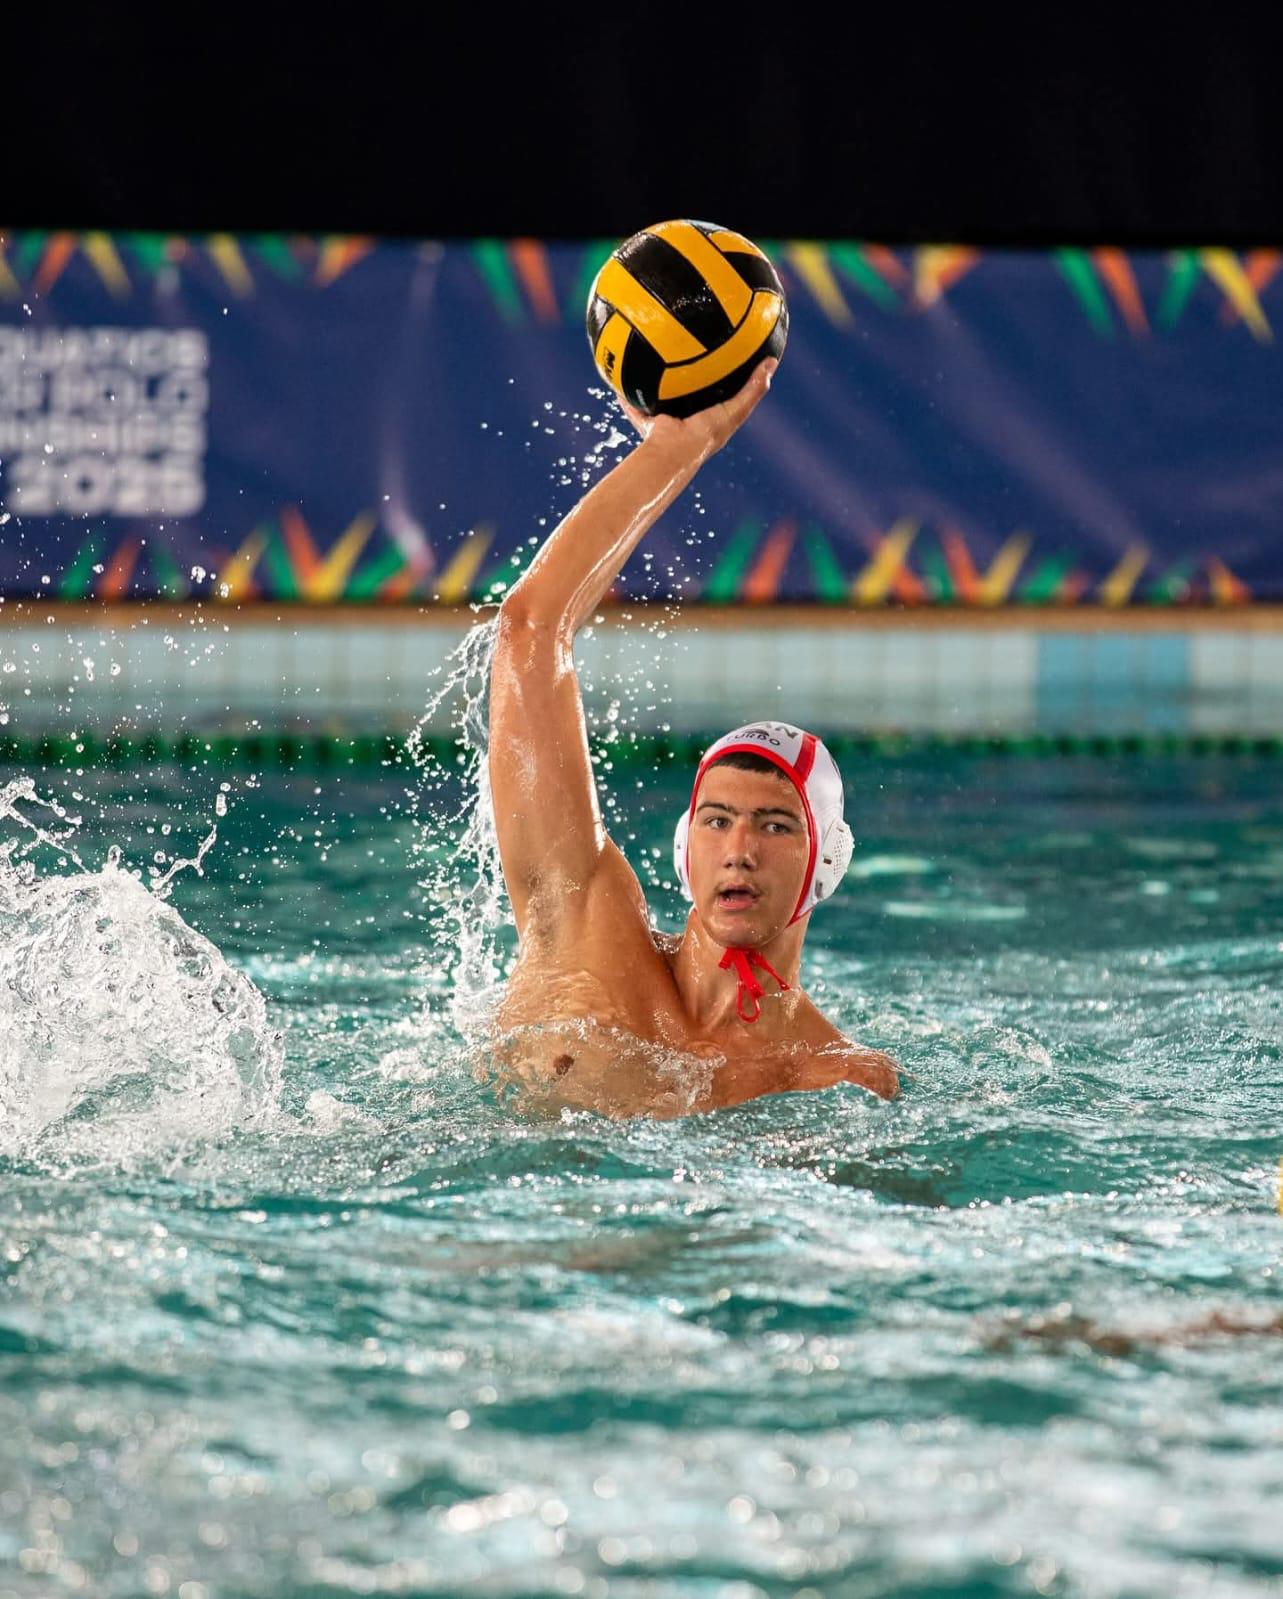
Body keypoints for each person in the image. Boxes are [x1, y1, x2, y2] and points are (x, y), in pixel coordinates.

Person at [486, 358, 898, 1116]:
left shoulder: (833, 1077)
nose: (738, 848)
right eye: (717, 819)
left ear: (826, 861)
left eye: (774, 823)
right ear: (684, 846)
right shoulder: (580, 923)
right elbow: (529, 630)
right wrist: (676, 448)